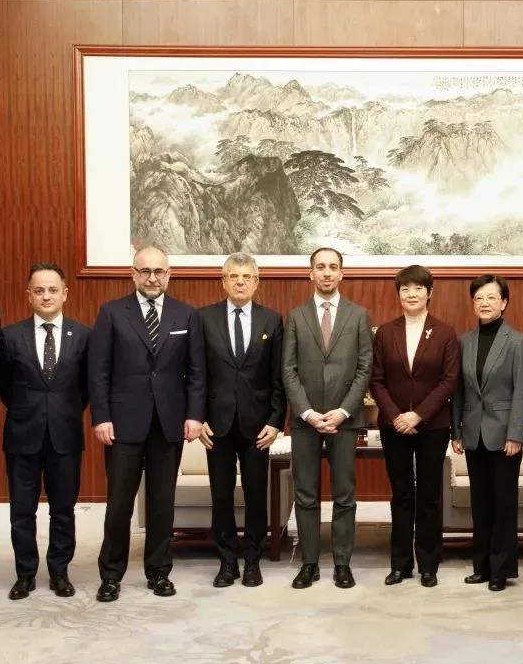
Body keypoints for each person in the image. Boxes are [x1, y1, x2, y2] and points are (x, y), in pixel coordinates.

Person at [89, 246, 205, 602]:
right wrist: (101, 417)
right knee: (119, 504)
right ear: (133, 274)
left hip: (168, 424)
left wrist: (194, 415)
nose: (152, 278)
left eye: (159, 271)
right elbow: (99, 371)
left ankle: (159, 571)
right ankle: (111, 574)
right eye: (145, 271)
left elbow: (196, 372)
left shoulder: (186, 315)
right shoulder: (111, 313)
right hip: (123, 424)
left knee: (162, 502)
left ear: (168, 274)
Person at [0, 262, 89, 600]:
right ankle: (25, 574)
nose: (46, 296)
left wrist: (61, 412)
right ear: (29, 296)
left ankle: (59, 572)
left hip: (65, 435)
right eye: (39, 290)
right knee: (22, 511)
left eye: (52, 290)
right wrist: (30, 410)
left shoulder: (83, 335)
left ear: (65, 294)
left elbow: (86, 388)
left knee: (63, 510)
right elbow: (3, 385)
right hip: (22, 436)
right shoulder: (10, 336)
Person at [282, 247, 373, 589]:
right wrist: (307, 412)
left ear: (341, 274)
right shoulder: (295, 316)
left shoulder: (358, 315)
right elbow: (288, 370)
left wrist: (343, 410)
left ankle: (342, 564)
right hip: (305, 420)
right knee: (305, 493)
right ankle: (309, 563)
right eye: (320, 266)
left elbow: (365, 368)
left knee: (344, 494)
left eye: (333, 267)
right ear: (311, 273)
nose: (327, 272)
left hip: (344, 419)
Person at [197, 253, 286, 588]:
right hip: (216, 425)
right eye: (233, 276)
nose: (240, 282)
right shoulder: (204, 318)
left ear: (256, 282)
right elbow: (196, 374)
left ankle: (252, 561)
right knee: (220, 495)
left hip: (257, 426)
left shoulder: (271, 320)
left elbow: (278, 377)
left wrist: (275, 421)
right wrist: (198, 418)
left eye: (246, 276)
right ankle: (226, 562)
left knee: (255, 495)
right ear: (223, 282)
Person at [370, 265, 459, 588]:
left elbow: (449, 381)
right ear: (398, 294)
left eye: (418, 288)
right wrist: (397, 415)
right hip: (393, 426)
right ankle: (400, 564)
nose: (412, 294)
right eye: (405, 289)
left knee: (430, 495)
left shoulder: (445, 333)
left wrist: (418, 415)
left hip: (433, 426)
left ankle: (428, 564)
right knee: (401, 494)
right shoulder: (385, 333)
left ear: (429, 293)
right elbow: (376, 380)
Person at [452, 274, 523, 592]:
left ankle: (501, 569)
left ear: (504, 302)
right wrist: (457, 431)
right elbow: (459, 391)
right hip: (473, 434)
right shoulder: (464, 341)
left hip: (504, 437)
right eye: (479, 298)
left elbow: (522, 391)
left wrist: (515, 434)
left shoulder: (518, 342)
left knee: (503, 504)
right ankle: (481, 566)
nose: (484, 303)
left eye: (491, 297)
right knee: (481, 504)